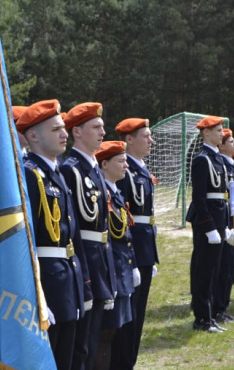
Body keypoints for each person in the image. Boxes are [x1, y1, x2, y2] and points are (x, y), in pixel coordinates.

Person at [17, 100, 89, 370]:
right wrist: (35, 296)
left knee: (68, 357)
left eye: (63, 128)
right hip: (47, 283)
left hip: (67, 278)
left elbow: (73, 234)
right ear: (33, 136)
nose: (64, 134)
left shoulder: (54, 173)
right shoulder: (28, 174)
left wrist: (84, 283)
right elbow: (23, 242)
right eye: (56, 129)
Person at [60, 102, 116, 369]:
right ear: (77, 132)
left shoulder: (93, 168)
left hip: (100, 259)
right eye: (96, 127)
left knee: (95, 337)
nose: (102, 132)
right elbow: (74, 228)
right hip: (85, 262)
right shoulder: (71, 169)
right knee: (82, 343)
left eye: (102, 127)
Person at [112, 118, 158, 369]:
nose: (151, 141)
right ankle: (123, 362)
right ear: (129, 139)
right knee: (128, 315)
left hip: (145, 249)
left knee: (138, 314)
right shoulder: (124, 170)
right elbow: (122, 218)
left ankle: (130, 360)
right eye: (146, 136)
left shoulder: (140, 168)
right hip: (133, 251)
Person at [94, 141, 138, 370]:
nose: (126, 165)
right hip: (112, 271)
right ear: (104, 164)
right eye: (120, 161)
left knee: (118, 330)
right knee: (106, 333)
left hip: (122, 269)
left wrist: (134, 265)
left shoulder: (116, 192)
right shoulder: (103, 193)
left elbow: (125, 233)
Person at [185, 116, 231, 333]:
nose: (222, 133)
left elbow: (223, 195)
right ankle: (202, 318)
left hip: (219, 219)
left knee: (215, 270)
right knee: (204, 271)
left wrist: (226, 226)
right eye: (219, 130)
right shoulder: (202, 159)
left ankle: (211, 314)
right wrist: (210, 227)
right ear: (206, 133)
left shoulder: (217, 158)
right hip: (208, 222)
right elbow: (200, 198)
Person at [212, 128, 234, 324]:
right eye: (231, 142)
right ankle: (216, 307)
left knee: (228, 267)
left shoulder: (230, 166)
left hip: (230, 218)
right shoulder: (219, 164)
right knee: (219, 269)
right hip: (220, 219)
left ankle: (222, 306)